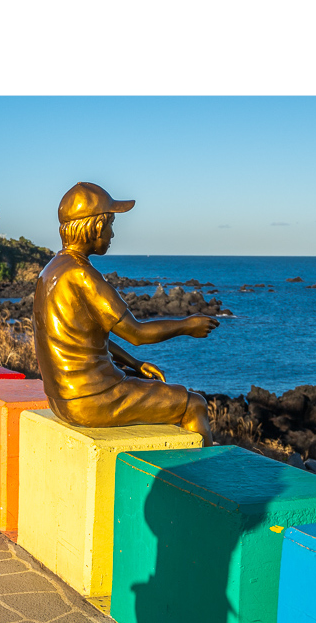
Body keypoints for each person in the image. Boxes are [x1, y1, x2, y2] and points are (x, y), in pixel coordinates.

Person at [32, 182, 219, 445]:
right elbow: (137, 333)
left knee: (151, 388)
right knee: (194, 404)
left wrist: (134, 364)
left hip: (61, 400)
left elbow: (87, 336)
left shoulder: (50, 271)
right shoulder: (84, 276)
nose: (112, 234)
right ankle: (199, 481)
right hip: (91, 400)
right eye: (111, 225)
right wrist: (188, 325)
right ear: (97, 227)